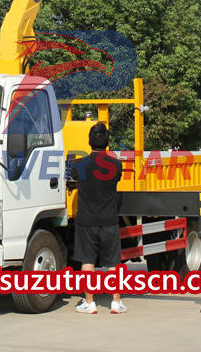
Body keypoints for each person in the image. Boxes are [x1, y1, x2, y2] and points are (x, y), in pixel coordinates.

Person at [71, 121, 126, 314]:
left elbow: (71, 177)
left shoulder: (79, 165)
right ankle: (116, 302)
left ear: (89, 141)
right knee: (113, 263)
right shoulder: (116, 165)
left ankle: (89, 302)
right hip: (109, 220)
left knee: (87, 262)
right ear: (107, 142)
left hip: (87, 221)